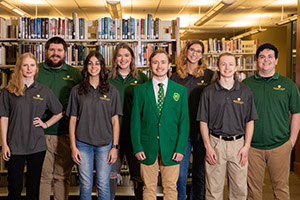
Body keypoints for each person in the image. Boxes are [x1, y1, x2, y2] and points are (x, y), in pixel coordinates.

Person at [0, 53, 63, 200]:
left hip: (37, 145)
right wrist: (4, 144)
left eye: (32, 65)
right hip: (14, 145)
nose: (29, 68)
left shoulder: (44, 91)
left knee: (33, 188)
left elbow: (59, 112)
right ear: (19, 68)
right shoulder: (8, 91)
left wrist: (45, 124)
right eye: (25, 65)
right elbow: (4, 118)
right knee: (14, 187)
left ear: (36, 69)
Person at [243, 43, 300, 200]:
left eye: (270, 57)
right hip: (252, 147)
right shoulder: (246, 86)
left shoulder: (288, 85)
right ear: (256, 60)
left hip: (280, 145)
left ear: (276, 61)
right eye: (262, 56)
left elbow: (296, 113)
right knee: (252, 191)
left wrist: (292, 141)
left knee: (281, 189)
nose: (265, 60)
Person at [198, 52, 258, 200]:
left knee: (239, 190)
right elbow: (203, 121)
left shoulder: (245, 91)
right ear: (217, 67)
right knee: (213, 190)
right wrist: (208, 146)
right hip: (215, 143)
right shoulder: (208, 92)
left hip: (238, 145)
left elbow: (250, 121)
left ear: (236, 67)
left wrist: (246, 146)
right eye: (223, 64)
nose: (227, 67)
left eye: (231, 64)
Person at [131, 49, 189, 200]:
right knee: (148, 187)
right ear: (150, 65)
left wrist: (181, 148)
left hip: (171, 147)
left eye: (163, 62)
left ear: (170, 65)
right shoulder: (140, 91)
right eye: (155, 62)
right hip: (147, 146)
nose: (159, 66)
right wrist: (137, 147)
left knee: (170, 187)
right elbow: (135, 122)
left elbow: (184, 123)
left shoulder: (180, 91)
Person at [66, 51, 122, 199]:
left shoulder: (112, 91)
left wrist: (114, 147)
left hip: (105, 144)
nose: (93, 66)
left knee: (103, 184)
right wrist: (73, 146)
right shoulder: (76, 91)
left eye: (97, 63)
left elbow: (115, 121)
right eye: (90, 63)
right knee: (85, 185)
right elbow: (72, 120)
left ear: (102, 67)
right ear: (86, 67)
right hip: (82, 143)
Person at [36, 36, 81, 200]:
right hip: (40, 133)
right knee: (44, 177)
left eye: (59, 50)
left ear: (65, 52)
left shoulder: (75, 73)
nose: (55, 53)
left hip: (66, 133)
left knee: (62, 177)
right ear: (46, 51)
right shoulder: (36, 70)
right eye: (52, 50)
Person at [170, 40, 214, 200]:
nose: (194, 54)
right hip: (182, 133)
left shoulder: (209, 76)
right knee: (180, 176)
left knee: (200, 174)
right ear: (186, 52)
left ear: (202, 55)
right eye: (192, 50)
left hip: (203, 132)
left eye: (198, 51)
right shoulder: (175, 77)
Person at [108, 42, 148, 200]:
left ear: (132, 58)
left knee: (138, 176)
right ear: (115, 58)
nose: (123, 59)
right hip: (112, 136)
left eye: (126, 55)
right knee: (111, 175)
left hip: (136, 137)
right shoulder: (107, 79)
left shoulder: (142, 78)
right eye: (119, 55)